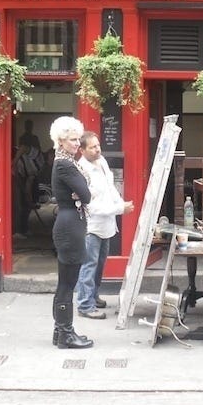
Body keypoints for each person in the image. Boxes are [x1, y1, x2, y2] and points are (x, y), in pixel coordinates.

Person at [75, 131, 134, 320]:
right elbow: (90, 205)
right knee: (89, 265)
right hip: (91, 226)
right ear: (82, 150)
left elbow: (111, 189)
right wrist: (119, 209)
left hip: (107, 224)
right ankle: (85, 304)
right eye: (92, 147)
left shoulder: (102, 163)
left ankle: (93, 296)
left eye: (98, 145)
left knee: (99, 265)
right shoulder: (81, 171)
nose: (97, 149)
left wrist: (121, 203)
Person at [49, 115, 93, 349]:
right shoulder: (65, 164)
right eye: (72, 139)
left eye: (78, 139)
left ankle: (61, 332)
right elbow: (86, 195)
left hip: (70, 223)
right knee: (67, 284)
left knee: (64, 283)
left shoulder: (65, 162)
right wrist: (83, 191)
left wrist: (83, 191)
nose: (77, 143)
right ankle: (66, 333)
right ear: (61, 141)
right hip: (70, 227)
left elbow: (84, 192)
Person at [11, 139, 44, 239]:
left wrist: (29, 197)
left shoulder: (37, 170)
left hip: (19, 176)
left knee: (25, 205)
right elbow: (23, 148)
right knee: (17, 205)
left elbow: (29, 184)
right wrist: (13, 163)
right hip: (12, 173)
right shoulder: (38, 155)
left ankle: (23, 229)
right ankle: (16, 231)